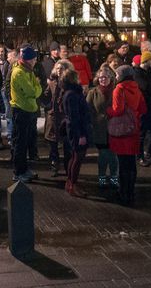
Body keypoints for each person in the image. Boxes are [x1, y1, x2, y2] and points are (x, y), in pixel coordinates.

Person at [107, 65, 147, 206]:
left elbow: (118, 110)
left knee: (123, 164)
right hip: (133, 129)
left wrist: (108, 111)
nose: (116, 77)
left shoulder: (119, 89)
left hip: (122, 131)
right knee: (131, 164)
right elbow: (143, 108)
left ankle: (123, 193)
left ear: (122, 75)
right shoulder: (136, 87)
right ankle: (130, 192)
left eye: (117, 75)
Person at [10, 46, 43, 183]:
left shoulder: (26, 70)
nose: (35, 61)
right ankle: (18, 172)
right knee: (20, 143)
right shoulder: (19, 72)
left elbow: (36, 88)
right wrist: (37, 88)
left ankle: (24, 169)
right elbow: (33, 92)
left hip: (28, 110)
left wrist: (37, 88)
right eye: (34, 59)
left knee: (25, 142)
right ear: (29, 60)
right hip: (21, 111)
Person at [86, 66, 119, 189]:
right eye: (100, 78)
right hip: (99, 128)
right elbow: (87, 110)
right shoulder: (93, 92)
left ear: (111, 78)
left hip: (114, 127)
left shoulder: (116, 91)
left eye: (105, 77)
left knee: (113, 154)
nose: (102, 80)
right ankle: (102, 177)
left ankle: (114, 177)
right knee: (104, 154)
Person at [62, 69, 91, 197]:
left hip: (75, 129)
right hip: (77, 130)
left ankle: (70, 182)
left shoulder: (71, 93)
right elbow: (75, 117)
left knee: (74, 157)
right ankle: (73, 184)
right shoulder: (72, 94)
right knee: (77, 158)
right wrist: (80, 135)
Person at [42, 60, 74, 176]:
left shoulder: (70, 83)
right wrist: (48, 107)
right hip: (53, 116)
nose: (59, 70)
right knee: (53, 143)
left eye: (62, 68)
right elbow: (45, 96)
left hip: (65, 117)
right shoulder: (52, 82)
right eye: (58, 68)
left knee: (67, 144)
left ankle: (68, 167)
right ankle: (54, 164)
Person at [134, 51, 151, 166]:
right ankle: (140, 156)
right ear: (146, 60)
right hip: (143, 107)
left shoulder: (150, 72)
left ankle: (149, 154)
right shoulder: (137, 73)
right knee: (142, 133)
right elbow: (146, 86)